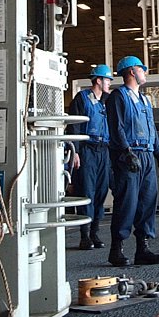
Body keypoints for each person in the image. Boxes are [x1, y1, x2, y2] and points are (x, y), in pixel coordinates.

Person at [106, 55, 159, 267]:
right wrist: (126, 151)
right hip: (129, 157)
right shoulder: (118, 97)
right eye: (142, 69)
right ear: (132, 71)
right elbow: (117, 128)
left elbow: (151, 128)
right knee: (127, 203)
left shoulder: (144, 99)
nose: (145, 72)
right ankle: (116, 250)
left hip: (147, 155)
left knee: (147, 202)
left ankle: (143, 248)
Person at [67, 64, 113, 249]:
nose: (109, 83)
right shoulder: (82, 98)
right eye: (107, 80)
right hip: (87, 150)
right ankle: (84, 235)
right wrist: (75, 151)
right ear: (98, 80)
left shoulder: (108, 101)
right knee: (87, 190)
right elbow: (74, 126)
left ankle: (95, 232)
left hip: (104, 150)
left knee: (101, 190)